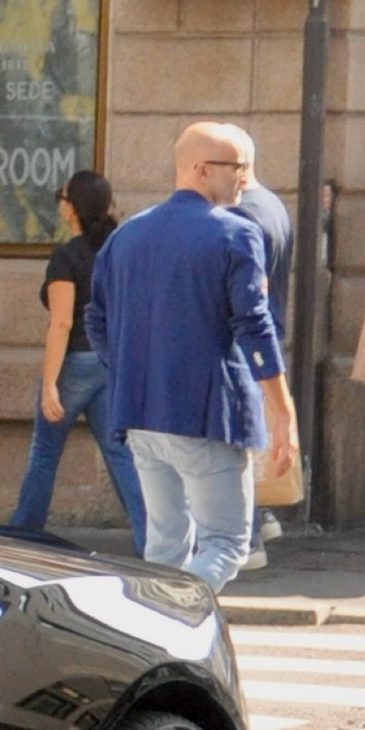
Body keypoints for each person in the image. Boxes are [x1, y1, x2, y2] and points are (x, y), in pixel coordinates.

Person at [85, 122, 298, 591]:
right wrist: (283, 411)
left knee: (164, 548)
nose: (245, 178)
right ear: (202, 170)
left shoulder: (127, 236)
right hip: (207, 416)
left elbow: (95, 319)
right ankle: (167, 628)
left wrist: (127, 371)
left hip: (140, 414)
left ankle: (155, 638)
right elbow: (255, 326)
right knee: (225, 545)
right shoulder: (235, 234)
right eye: (237, 167)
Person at [9, 170, 145, 548]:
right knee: (120, 454)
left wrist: (51, 382)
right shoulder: (119, 250)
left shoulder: (66, 258)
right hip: (109, 362)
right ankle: (155, 541)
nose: (60, 204)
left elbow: (62, 322)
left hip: (74, 363)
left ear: (73, 209)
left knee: (45, 453)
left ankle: (22, 537)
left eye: (62, 197)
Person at [228, 128, 294, 563]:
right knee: (256, 438)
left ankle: (248, 538)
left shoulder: (244, 216)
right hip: (267, 336)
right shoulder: (271, 203)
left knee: (242, 442)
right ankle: (264, 517)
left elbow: (248, 296)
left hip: (247, 342)